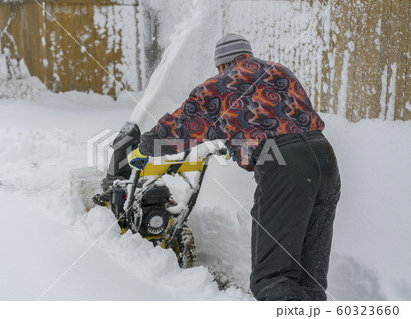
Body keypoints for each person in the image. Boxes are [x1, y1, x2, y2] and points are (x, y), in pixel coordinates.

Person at [127, 33, 341, 301]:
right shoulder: (279, 70)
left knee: (274, 278)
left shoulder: (221, 83)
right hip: (324, 158)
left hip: (283, 165)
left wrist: (146, 148)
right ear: (248, 55)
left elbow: (182, 126)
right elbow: (280, 117)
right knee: (309, 278)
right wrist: (240, 143)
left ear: (221, 65)